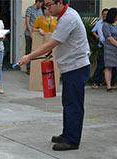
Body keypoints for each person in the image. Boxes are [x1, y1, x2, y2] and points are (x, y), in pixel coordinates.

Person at [19, 0, 90, 151]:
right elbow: (61, 42)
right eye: (45, 5)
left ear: (60, 2)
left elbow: (51, 43)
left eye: (50, 4)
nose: (47, 8)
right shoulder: (64, 16)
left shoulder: (69, 18)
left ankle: (72, 140)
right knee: (68, 103)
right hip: (70, 67)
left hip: (76, 67)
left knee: (73, 105)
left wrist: (29, 57)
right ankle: (67, 134)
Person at [24, 0, 44, 74]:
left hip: (37, 34)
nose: (41, 5)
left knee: (36, 51)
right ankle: (28, 68)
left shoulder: (40, 10)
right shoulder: (29, 9)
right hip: (29, 34)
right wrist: (30, 33)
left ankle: (35, 68)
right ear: (38, 2)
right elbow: (27, 22)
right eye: (41, 3)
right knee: (29, 50)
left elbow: (41, 21)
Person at [91, 8, 109, 89]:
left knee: (110, 66)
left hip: (110, 47)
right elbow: (93, 31)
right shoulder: (99, 23)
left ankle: (107, 82)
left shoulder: (111, 23)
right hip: (101, 46)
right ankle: (95, 82)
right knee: (101, 65)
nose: (105, 15)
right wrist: (97, 37)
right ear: (102, 15)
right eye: (104, 14)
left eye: (106, 14)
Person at [102, 8, 117, 92]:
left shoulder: (115, 25)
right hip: (109, 49)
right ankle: (108, 86)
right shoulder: (106, 25)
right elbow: (109, 38)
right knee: (109, 67)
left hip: (115, 48)